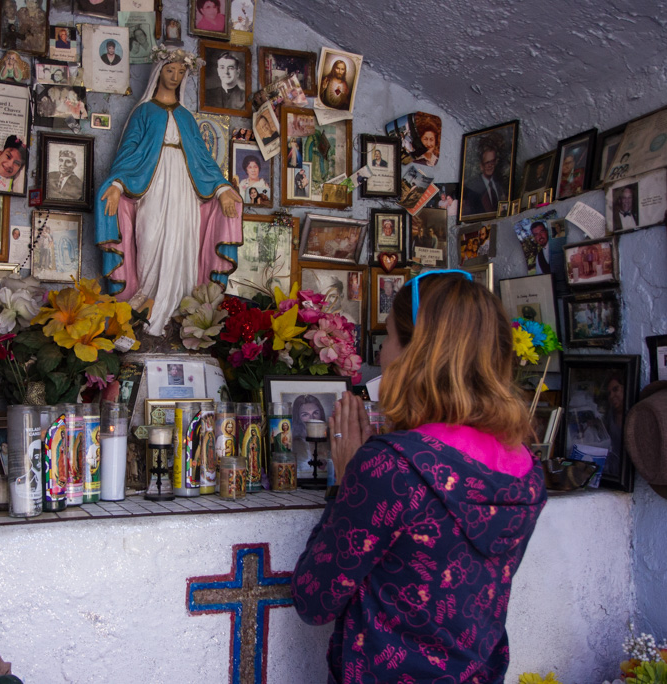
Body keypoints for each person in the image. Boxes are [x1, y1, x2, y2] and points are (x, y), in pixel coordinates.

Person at [292, 270, 546, 683]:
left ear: (419, 353)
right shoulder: (525, 468)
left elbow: (313, 598)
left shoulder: (391, 467)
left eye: (389, 337)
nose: (384, 355)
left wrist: (347, 479)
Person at [96, 48, 243, 336]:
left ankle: (179, 318)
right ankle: (147, 310)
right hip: (151, 188)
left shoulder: (187, 118)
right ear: (158, 72)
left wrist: (223, 188)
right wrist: (115, 185)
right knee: (149, 242)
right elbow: (127, 154)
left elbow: (203, 159)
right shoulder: (143, 112)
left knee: (182, 247)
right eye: (169, 70)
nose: (175, 77)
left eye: (180, 72)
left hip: (185, 193)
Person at [463, 137, 505, 216]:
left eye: (492, 162)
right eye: (487, 162)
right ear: (481, 165)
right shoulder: (473, 188)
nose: (490, 166)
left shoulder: (499, 185)